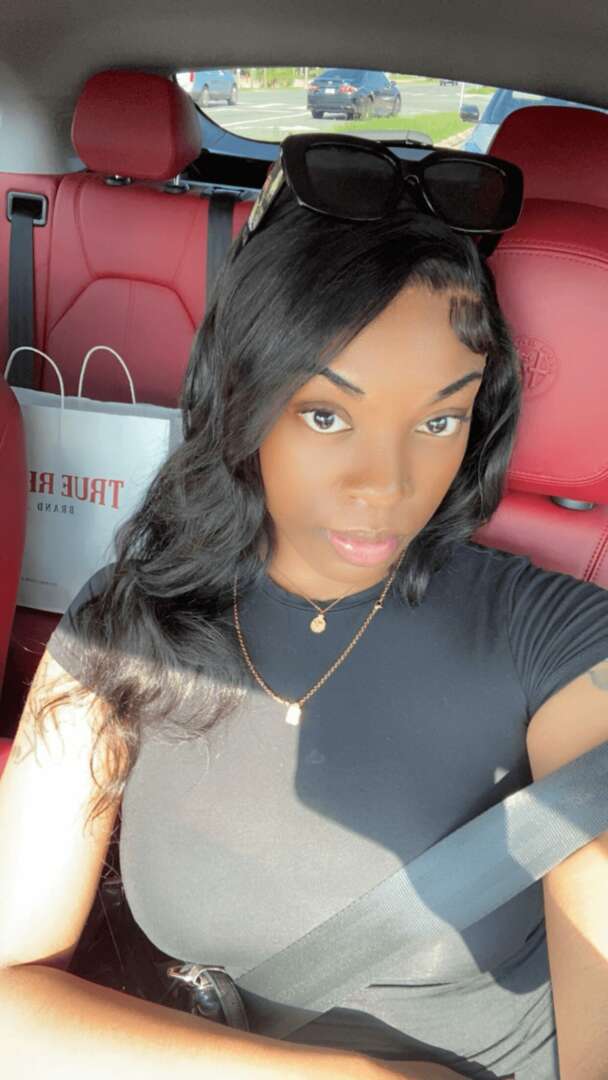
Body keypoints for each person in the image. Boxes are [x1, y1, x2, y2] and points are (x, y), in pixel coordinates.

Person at [1, 138, 607, 1080]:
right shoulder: (130, 624)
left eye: (439, 419)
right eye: (326, 414)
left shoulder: (561, 640)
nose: (387, 485)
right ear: (241, 396)